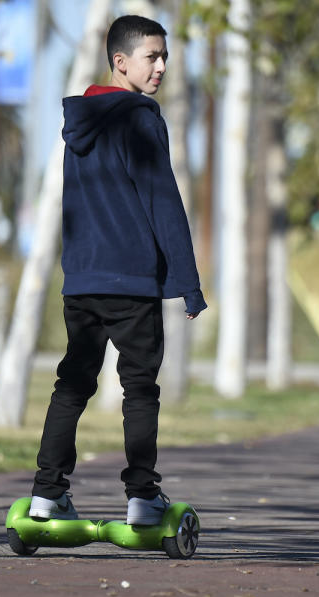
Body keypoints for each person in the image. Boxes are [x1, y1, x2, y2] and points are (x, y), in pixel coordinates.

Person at [28, 15, 206, 526]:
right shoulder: (140, 117)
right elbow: (162, 202)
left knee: (73, 383)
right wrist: (187, 284)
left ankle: (46, 493)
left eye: (165, 56)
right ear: (120, 61)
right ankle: (143, 497)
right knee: (140, 388)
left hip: (82, 279)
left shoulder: (78, 122)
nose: (162, 67)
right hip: (130, 281)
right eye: (152, 57)